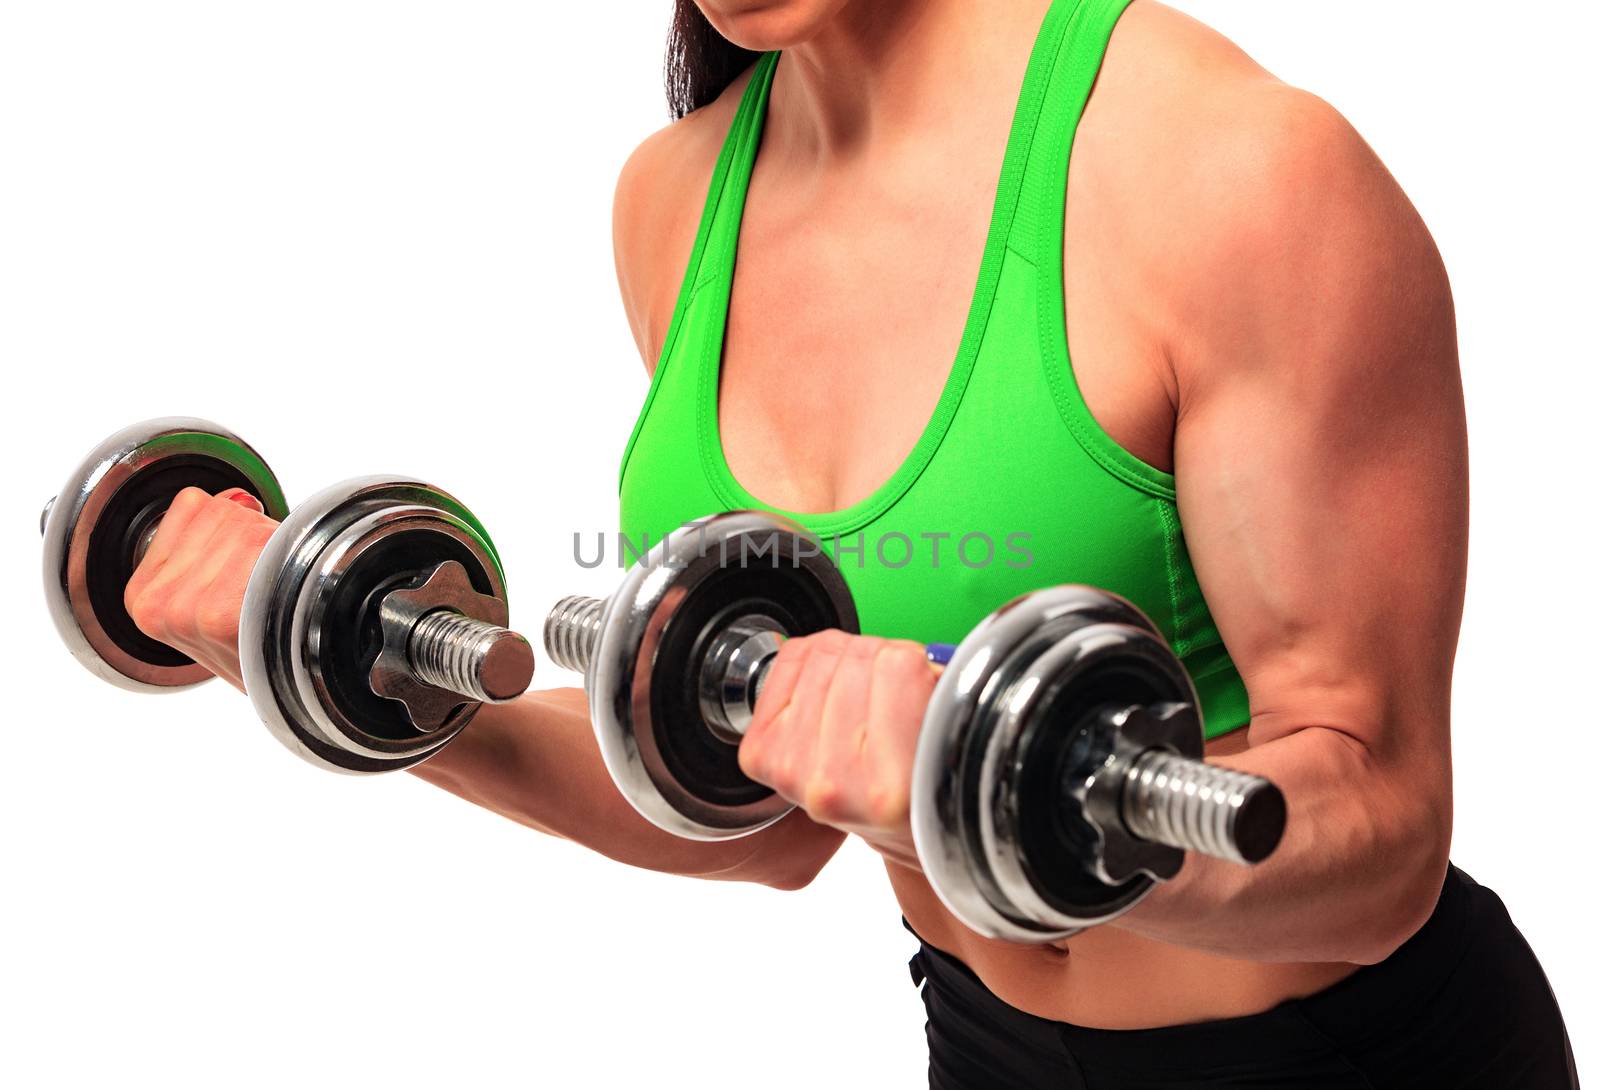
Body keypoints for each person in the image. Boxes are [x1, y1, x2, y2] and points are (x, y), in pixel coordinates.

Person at [125, 1, 1577, 1085]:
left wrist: (1006, 800)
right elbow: (760, 816)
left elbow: (1381, 839)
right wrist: (348, 670)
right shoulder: (675, 202)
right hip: (983, 1047)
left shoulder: (1233, 172)